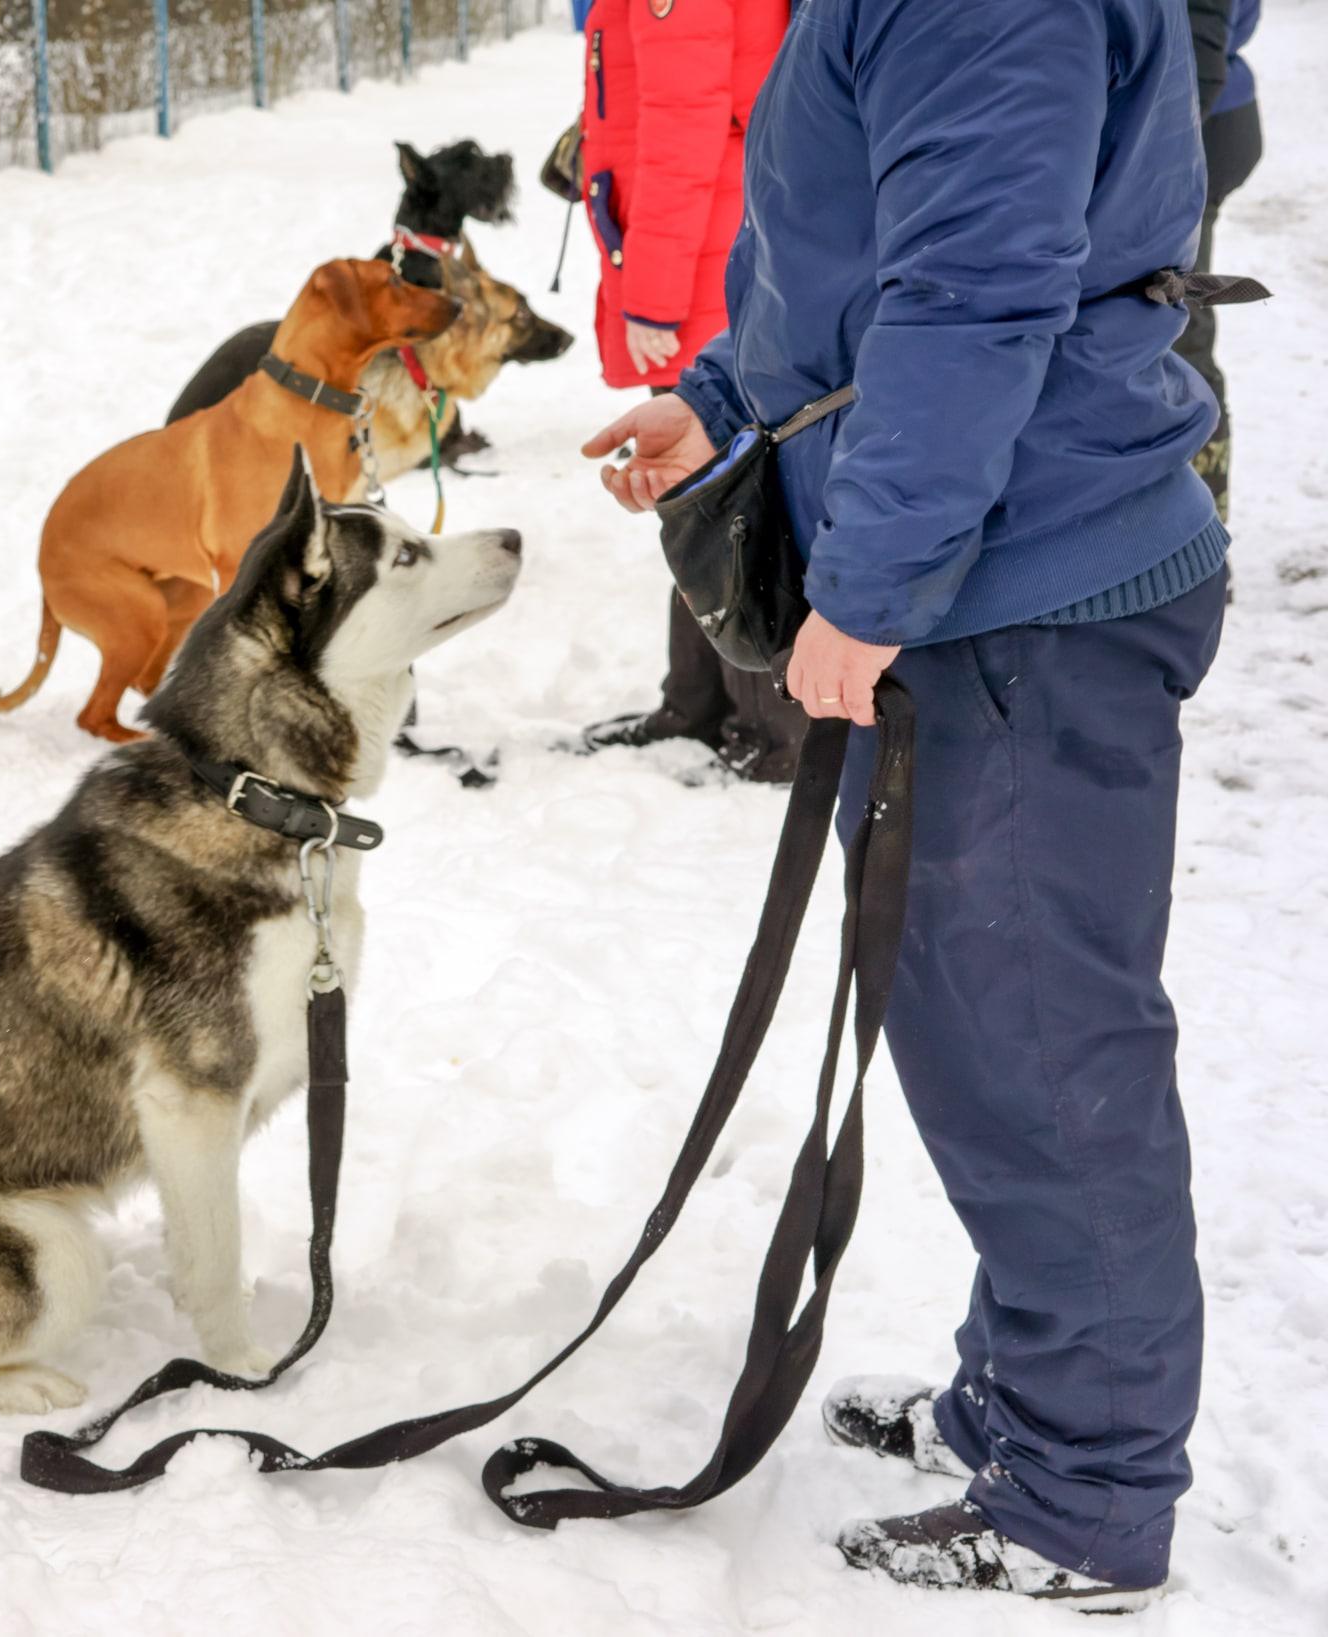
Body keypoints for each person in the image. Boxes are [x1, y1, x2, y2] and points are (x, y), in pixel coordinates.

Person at [585, 0, 1229, 1608]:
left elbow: (971, 299)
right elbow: (865, 259)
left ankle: (1084, 1494)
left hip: (1019, 599)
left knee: (1038, 1055)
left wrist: (863, 599)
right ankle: (1025, 1411)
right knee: (981, 1040)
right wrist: (727, 400)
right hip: (985, 581)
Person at [572, 0, 808, 782]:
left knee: (730, 499)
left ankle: (773, 730)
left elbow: (685, 129)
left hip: (702, 265)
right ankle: (700, 701)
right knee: (699, 497)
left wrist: (654, 296)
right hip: (711, 248)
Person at [1181, 0, 1262, 520]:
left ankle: (1204, 532)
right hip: (1208, 116)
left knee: (1178, 333)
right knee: (1175, 329)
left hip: (1195, 124)